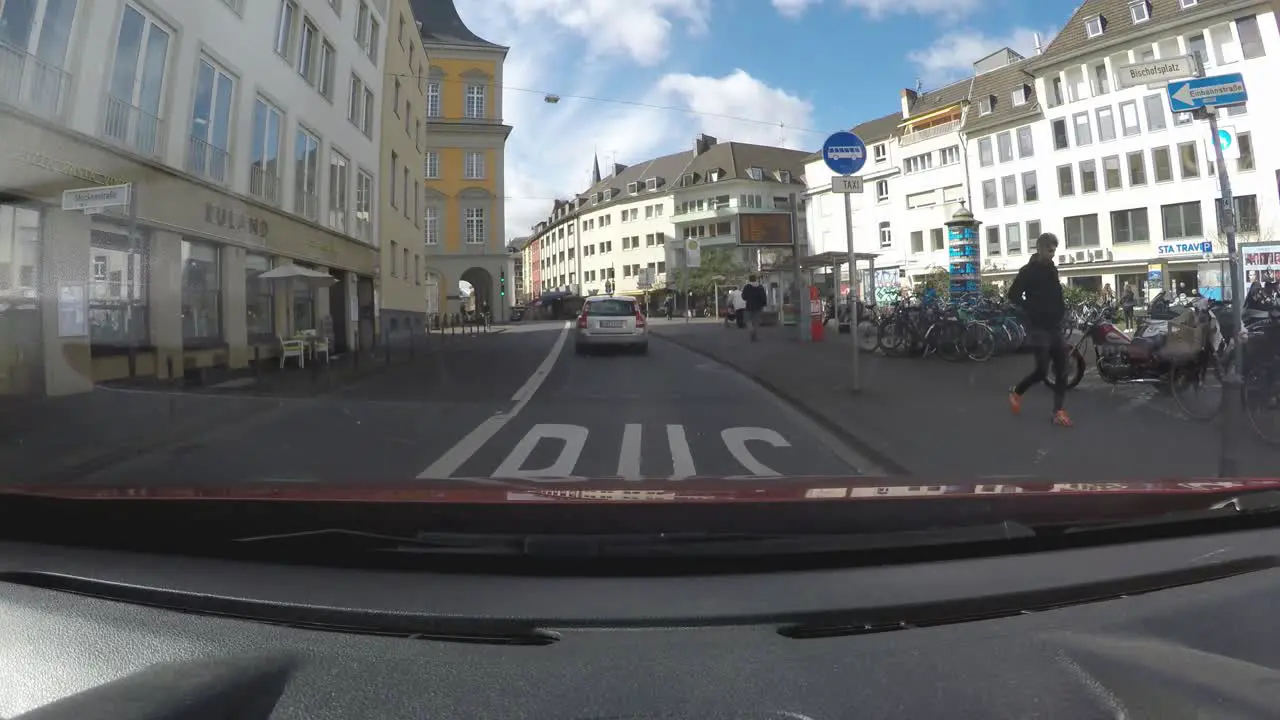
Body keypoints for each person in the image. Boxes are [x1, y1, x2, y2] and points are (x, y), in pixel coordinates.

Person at [1007, 232, 1072, 427]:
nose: (1051, 254)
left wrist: (1062, 311)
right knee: (1042, 371)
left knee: (1062, 369)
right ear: (1039, 249)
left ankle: (1058, 411)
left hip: (1055, 325)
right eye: (1048, 250)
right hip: (1038, 327)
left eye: (1053, 250)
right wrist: (1031, 309)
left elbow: (1056, 293)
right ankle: (1017, 392)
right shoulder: (1027, 271)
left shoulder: (1052, 269)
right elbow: (1013, 295)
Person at [741, 275, 768, 342]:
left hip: (749, 306)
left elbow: (744, 297)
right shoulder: (760, 287)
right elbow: (764, 297)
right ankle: (754, 334)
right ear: (755, 279)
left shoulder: (746, 287)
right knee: (756, 321)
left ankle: (751, 330)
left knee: (747, 320)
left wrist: (749, 298)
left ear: (749, 279)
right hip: (758, 306)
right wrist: (764, 304)